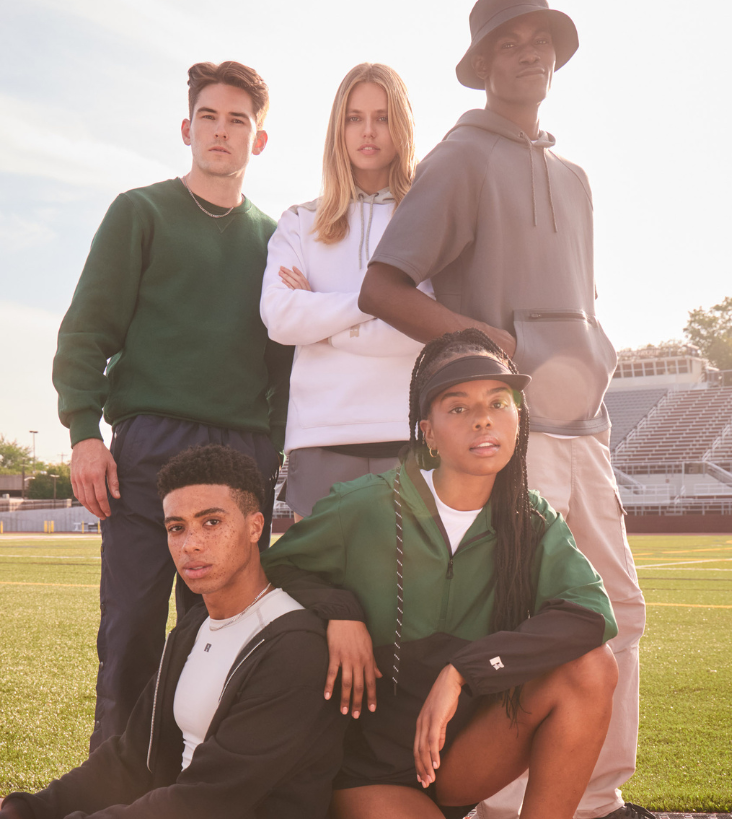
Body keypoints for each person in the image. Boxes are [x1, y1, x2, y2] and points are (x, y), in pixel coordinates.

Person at [357, 2, 648, 817]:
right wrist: (483, 339)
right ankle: (502, 804)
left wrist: (596, 356)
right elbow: (381, 286)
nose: (529, 55)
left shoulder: (576, 177)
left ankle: (596, 799)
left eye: (540, 42)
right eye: (509, 44)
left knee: (619, 612)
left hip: (586, 431)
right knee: (530, 625)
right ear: (483, 63)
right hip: (514, 434)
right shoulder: (459, 160)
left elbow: (580, 299)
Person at [262, 329, 619, 819]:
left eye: (499, 402)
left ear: (519, 418)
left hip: (460, 759)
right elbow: (277, 570)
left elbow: (590, 615)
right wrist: (340, 612)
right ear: (427, 432)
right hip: (369, 770)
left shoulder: (530, 522)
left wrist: (464, 671)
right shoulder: (363, 504)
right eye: (458, 407)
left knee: (591, 667)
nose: (483, 420)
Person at [51, 61, 294, 751]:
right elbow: (86, 330)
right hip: (149, 447)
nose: (222, 132)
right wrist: (82, 431)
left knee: (220, 632)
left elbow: (286, 367)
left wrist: (268, 455)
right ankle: (114, 784)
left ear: (260, 139)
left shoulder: (276, 241)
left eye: (238, 121)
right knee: (128, 628)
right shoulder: (141, 212)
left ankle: (202, 784)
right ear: (188, 129)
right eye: (210, 118)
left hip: (240, 452)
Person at [0, 445, 345, 819]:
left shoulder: (293, 646)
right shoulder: (193, 626)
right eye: (176, 527)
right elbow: (130, 757)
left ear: (255, 527)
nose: (190, 544)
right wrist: (25, 809)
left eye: (212, 522)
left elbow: (208, 801)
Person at [260, 62, 430, 521]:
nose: (368, 131)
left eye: (382, 116)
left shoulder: (430, 221)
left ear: (402, 126)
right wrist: (378, 300)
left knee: (405, 595)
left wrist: (321, 316)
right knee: (319, 595)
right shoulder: (300, 220)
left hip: (408, 436)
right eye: (354, 117)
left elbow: (428, 328)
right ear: (339, 128)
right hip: (318, 438)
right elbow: (281, 318)